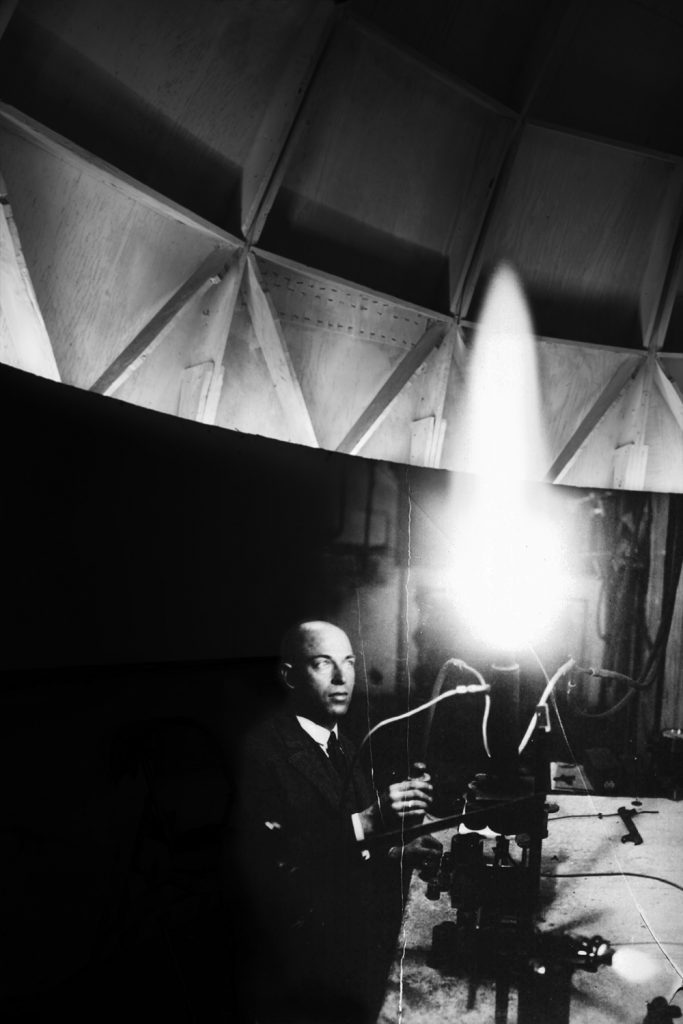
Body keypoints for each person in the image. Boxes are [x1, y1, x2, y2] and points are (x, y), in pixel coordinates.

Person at [232, 620, 441, 1024]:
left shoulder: (342, 743)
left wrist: (399, 847)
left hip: (352, 938)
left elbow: (358, 848)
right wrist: (368, 820)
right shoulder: (261, 753)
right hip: (300, 962)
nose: (342, 677)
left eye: (348, 662)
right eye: (323, 664)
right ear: (290, 676)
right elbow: (274, 866)